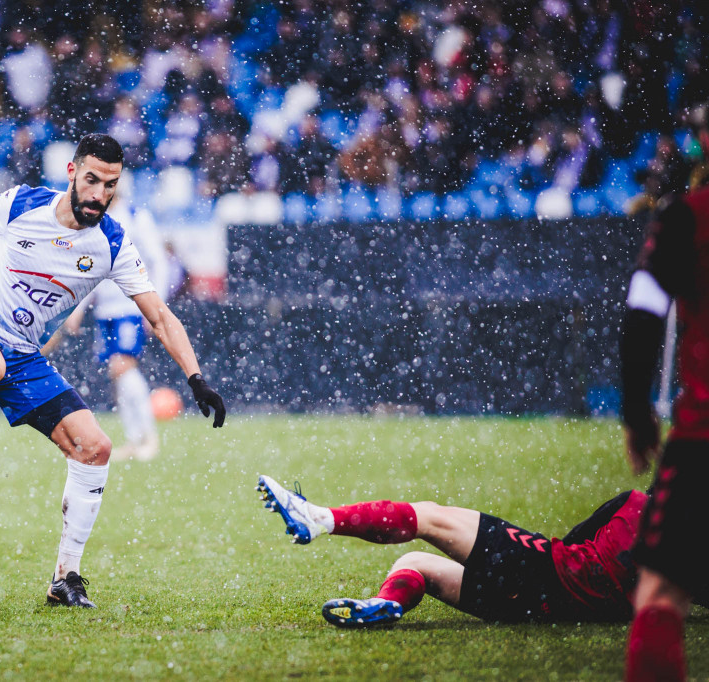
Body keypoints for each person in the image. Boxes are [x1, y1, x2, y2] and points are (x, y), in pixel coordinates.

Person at [0, 134, 226, 608]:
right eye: (92, 180)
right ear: (72, 173)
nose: (100, 194)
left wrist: (195, 377)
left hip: (21, 354)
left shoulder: (113, 244)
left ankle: (66, 578)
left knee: (95, 448)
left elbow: (160, 316)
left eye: (111, 184)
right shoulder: (23, 202)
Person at [256, 474, 703, 628]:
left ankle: (321, 519)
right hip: (552, 609)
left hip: (547, 578)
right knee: (414, 564)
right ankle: (384, 604)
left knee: (429, 517)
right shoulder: (683, 561)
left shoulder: (638, 504)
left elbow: (573, 542)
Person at [620, 182, 709, 681]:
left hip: (703, 437)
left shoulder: (690, 214)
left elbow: (644, 307)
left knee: (658, 599)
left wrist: (636, 411)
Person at [46, 189, 173, 461]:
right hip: (106, 310)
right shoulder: (94, 221)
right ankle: (135, 439)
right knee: (118, 374)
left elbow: (158, 261)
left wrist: (155, 305)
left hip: (131, 305)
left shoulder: (137, 217)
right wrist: (77, 308)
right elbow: (91, 269)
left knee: (122, 365)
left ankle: (148, 437)